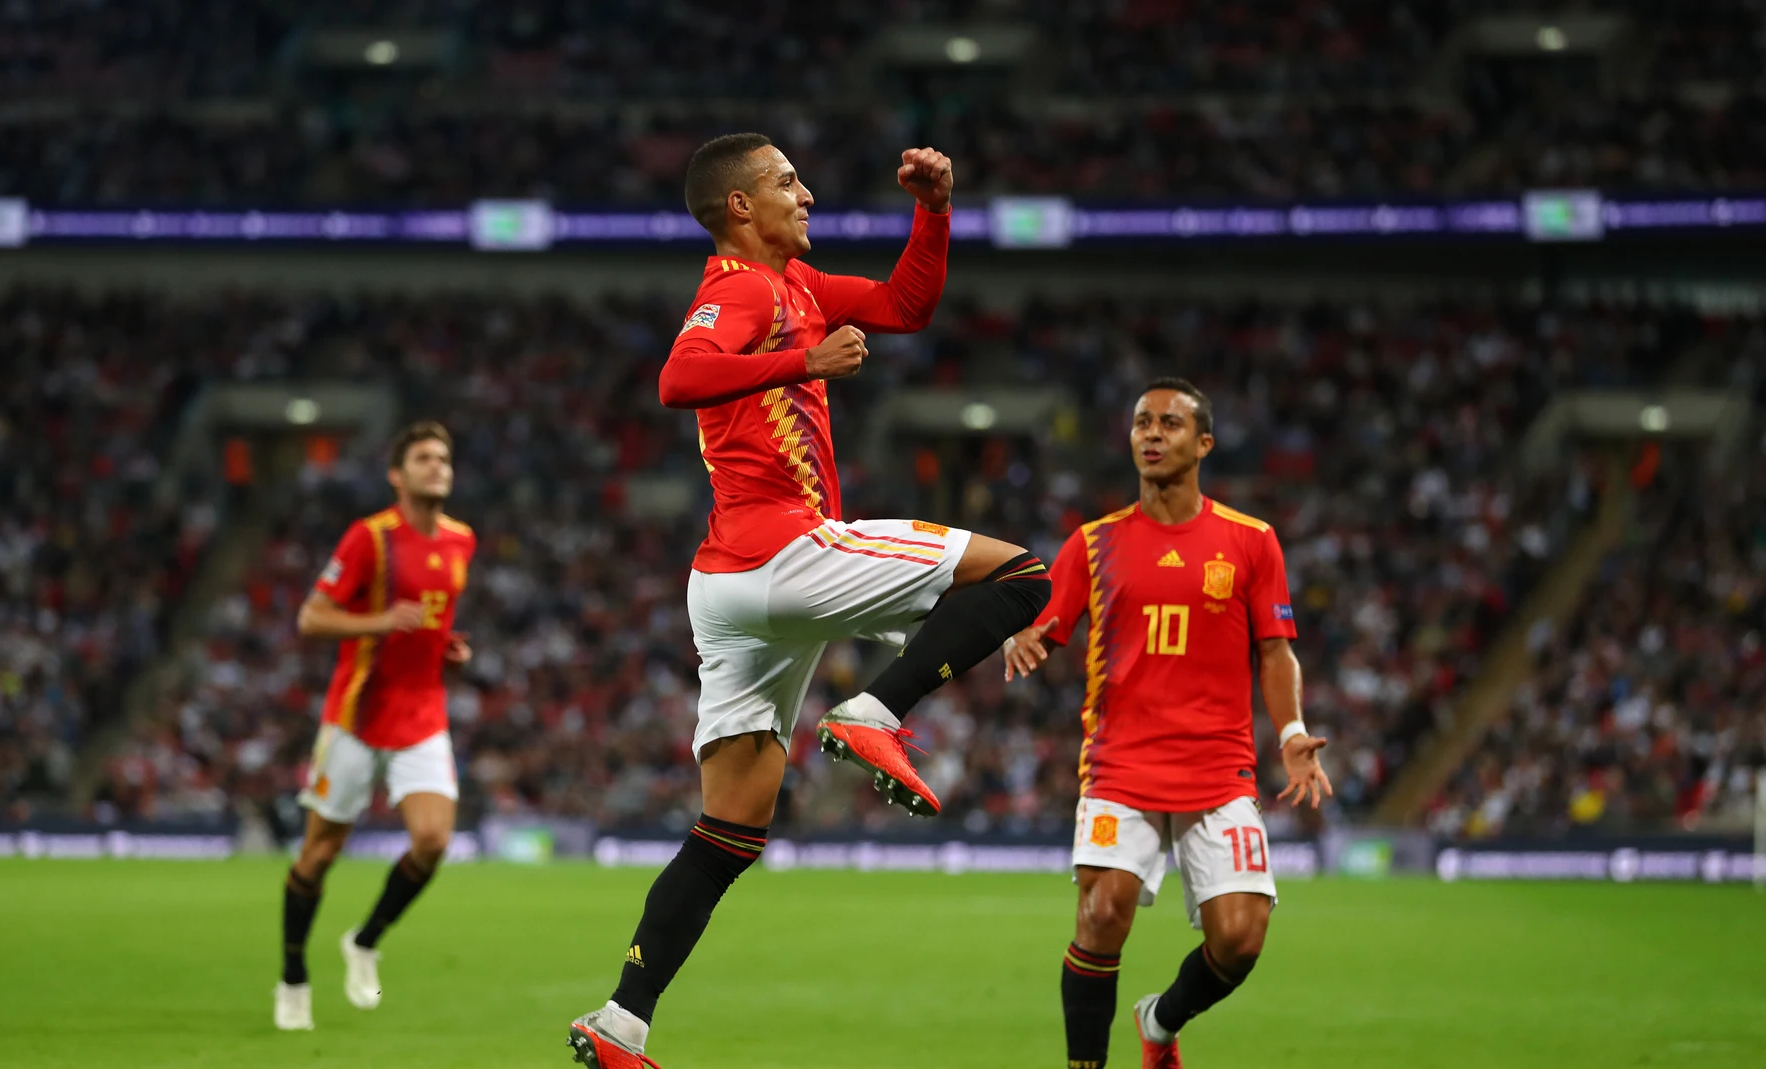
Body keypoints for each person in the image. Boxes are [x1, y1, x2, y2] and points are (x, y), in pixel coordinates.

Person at [566, 133, 1051, 1068]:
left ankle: (621, 1022)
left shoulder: (801, 286)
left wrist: (936, 209)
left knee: (728, 833)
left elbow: (908, 304)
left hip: (730, 586)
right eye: (788, 182)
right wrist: (804, 366)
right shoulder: (740, 287)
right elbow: (678, 378)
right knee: (1028, 573)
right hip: (783, 546)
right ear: (740, 206)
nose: (810, 193)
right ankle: (874, 709)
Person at [1002, 379, 1333, 1069]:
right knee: (1101, 914)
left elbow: (1275, 651)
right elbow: (1044, 625)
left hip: (1219, 766)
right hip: (1122, 763)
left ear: (1203, 442)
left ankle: (1160, 1020)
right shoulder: (1094, 544)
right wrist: (1020, 638)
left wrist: (1293, 732)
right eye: (1142, 423)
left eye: (1170, 424)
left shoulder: (1251, 541)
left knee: (1241, 937)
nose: (1152, 434)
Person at [273, 421, 476, 1031]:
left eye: (443, 457)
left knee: (434, 841)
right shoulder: (370, 538)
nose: (437, 466)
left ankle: (364, 939)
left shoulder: (462, 540)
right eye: (423, 458)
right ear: (398, 475)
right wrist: (381, 621)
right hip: (357, 717)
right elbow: (311, 618)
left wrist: (445, 647)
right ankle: (292, 977)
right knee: (318, 855)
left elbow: (429, 621)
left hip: (422, 715)